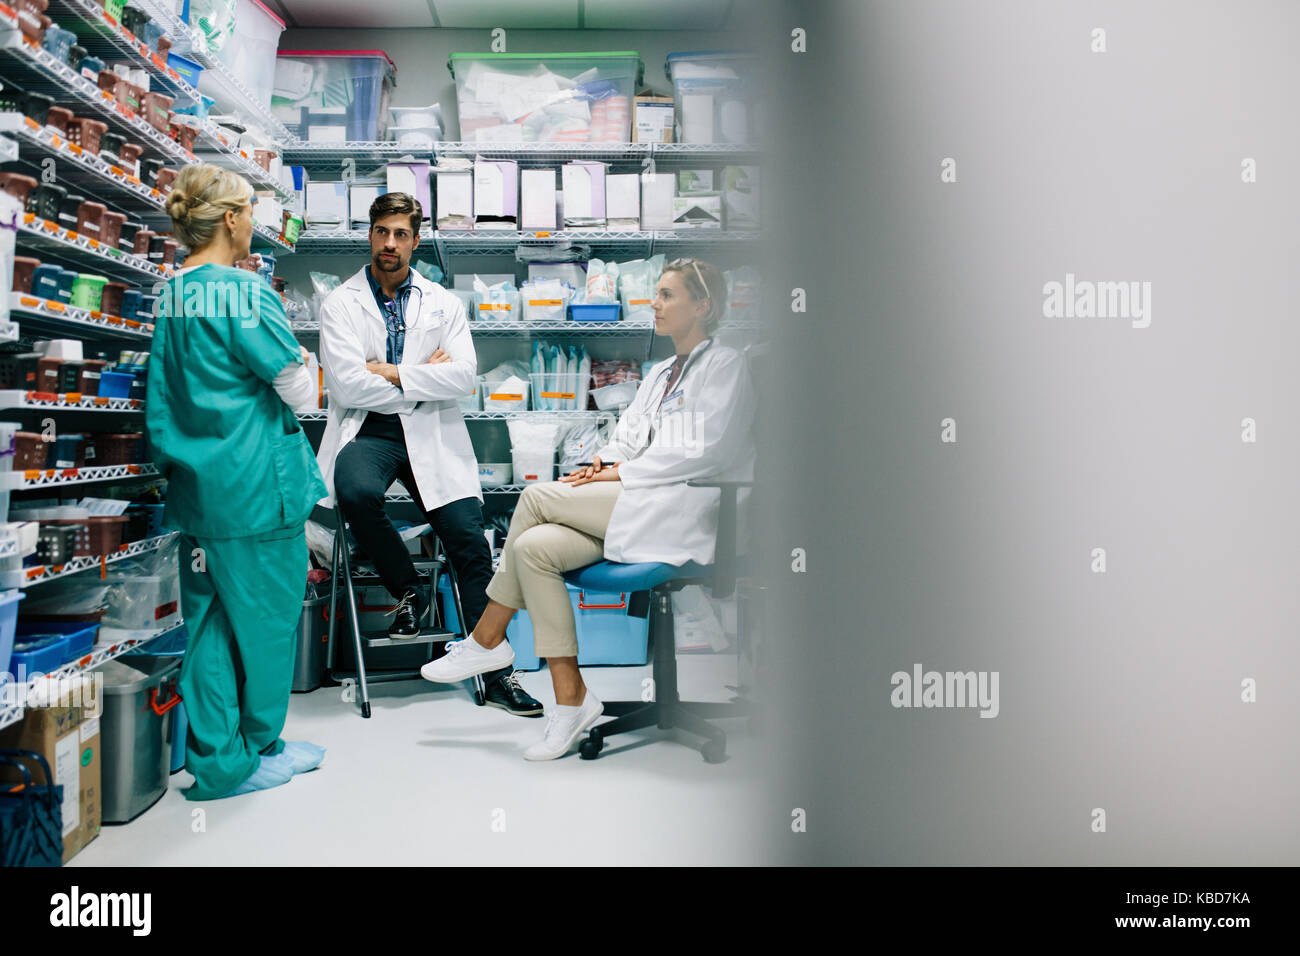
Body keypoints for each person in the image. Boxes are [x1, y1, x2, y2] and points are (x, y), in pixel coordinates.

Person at [421, 259, 756, 759]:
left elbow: (707, 448)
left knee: (535, 497)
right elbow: (628, 437)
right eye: (656, 293)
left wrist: (619, 473)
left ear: (702, 306)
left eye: (668, 295)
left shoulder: (726, 365)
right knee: (533, 549)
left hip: (685, 505)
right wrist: (604, 459)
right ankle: (571, 699)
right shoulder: (662, 371)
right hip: (637, 501)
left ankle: (488, 637)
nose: (655, 304)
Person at [314, 192, 542, 717]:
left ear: (416, 241)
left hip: (433, 434)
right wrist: (424, 378)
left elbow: (463, 378)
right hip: (369, 432)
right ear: (370, 236)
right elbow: (348, 388)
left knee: (468, 542)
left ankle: (498, 670)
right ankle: (410, 589)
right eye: (381, 232)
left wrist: (390, 371)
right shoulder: (341, 303)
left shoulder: (443, 302)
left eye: (400, 234)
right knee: (354, 491)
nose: (389, 243)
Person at [145, 164, 328, 800]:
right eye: (252, 210)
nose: (257, 222)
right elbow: (301, 395)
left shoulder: (174, 292)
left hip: (200, 492)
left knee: (208, 625)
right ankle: (262, 748)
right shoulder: (247, 294)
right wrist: (310, 361)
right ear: (230, 219)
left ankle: (220, 763)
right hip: (256, 492)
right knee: (269, 625)